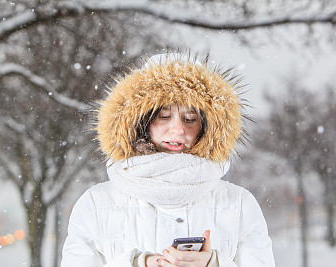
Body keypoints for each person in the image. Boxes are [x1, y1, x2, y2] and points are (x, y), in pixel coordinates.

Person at [61, 52, 275, 267]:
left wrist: (214, 263)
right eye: (163, 116)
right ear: (140, 122)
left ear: (207, 127)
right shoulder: (96, 204)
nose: (178, 129)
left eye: (190, 119)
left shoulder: (239, 204)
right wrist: (137, 264)